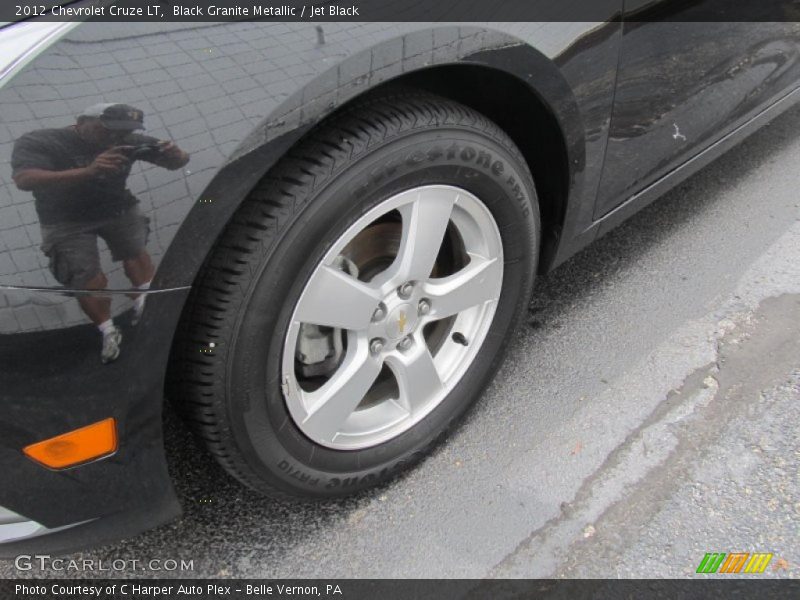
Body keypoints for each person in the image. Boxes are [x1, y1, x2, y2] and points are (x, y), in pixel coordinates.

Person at [11, 103, 190, 363]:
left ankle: (145, 303)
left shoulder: (128, 140)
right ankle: (107, 330)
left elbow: (178, 163)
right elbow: (24, 179)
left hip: (117, 208)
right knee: (85, 277)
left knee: (135, 252)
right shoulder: (43, 141)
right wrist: (88, 172)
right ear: (82, 122)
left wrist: (178, 154)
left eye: (123, 132)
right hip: (64, 220)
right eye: (107, 130)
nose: (114, 137)